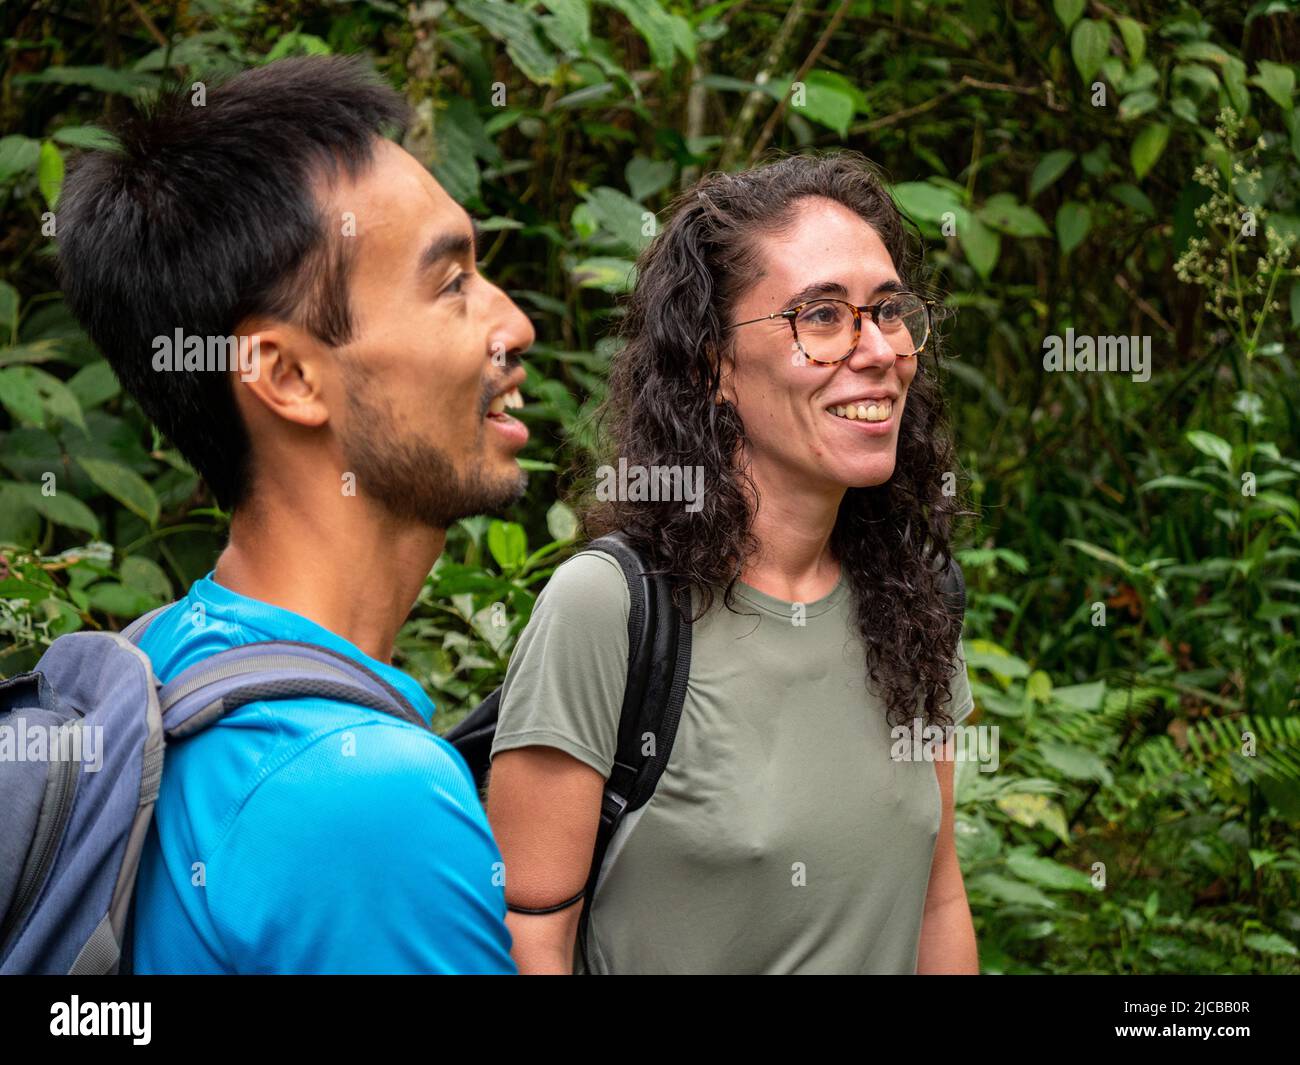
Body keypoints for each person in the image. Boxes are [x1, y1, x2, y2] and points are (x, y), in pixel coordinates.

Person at [56, 56, 533, 973]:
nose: (513, 322)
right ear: (287, 375)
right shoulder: (362, 799)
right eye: (452, 283)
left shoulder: (159, 665)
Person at [486, 152, 978, 974]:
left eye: (888, 311)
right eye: (822, 316)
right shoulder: (609, 609)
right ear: (714, 362)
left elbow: (938, 898)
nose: (879, 348)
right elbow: (528, 943)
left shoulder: (915, 593)